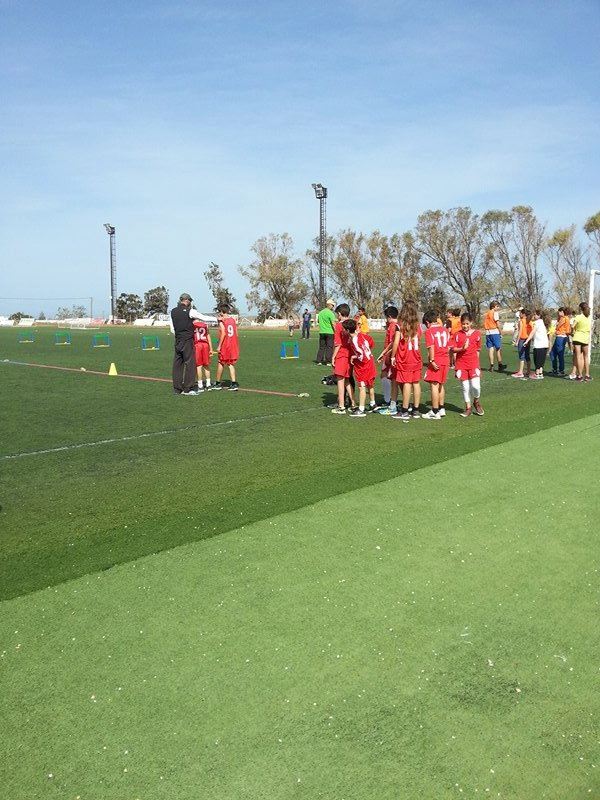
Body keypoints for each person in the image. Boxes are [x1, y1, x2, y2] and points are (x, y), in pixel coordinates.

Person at [391, 300, 422, 421]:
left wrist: (393, 356)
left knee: (407, 383)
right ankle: (416, 409)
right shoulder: (418, 325)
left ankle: (404, 410)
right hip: (416, 357)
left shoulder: (400, 325)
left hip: (405, 358)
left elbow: (396, 342)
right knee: (416, 383)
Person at [169, 292, 204, 395]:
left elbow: (172, 329)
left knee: (177, 365)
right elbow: (203, 317)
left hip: (178, 340)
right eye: (190, 301)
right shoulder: (190, 311)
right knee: (190, 364)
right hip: (187, 341)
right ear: (187, 300)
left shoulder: (173, 311)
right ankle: (188, 388)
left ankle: (177, 389)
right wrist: (217, 319)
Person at [343, 318, 377, 417]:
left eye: (344, 329)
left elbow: (362, 355)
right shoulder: (361, 335)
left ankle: (361, 409)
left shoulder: (354, 340)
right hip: (370, 362)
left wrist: (354, 357)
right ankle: (373, 404)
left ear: (348, 330)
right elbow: (371, 342)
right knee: (370, 384)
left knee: (362, 386)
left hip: (363, 366)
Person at [452, 312, 483, 417]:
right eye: (463, 324)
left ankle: (476, 402)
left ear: (471, 323)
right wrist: (462, 349)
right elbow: (453, 349)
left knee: (476, 387)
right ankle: (468, 408)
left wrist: (477, 364)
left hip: (473, 364)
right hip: (461, 364)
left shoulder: (477, 334)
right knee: (465, 387)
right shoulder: (457, 335)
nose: (465, 326)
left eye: (467, 323)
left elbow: (478, 350)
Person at [422, 309, 451, 419]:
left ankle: (434, 411)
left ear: (427, 322)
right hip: (445, 359)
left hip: (437, 359)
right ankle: (441, 408)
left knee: (434, 385)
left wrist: (432, 360)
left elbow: (431, 347)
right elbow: (449, 347)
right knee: (441, 384)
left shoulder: (429, 331)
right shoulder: (445, 330)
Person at [331, 303, 355, 414]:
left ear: (340, 314)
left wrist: (333, 357)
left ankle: (341, 406)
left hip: (341, 355)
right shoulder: (353, 324)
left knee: (340, 381)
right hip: (350, 355)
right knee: (347, 380)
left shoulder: (339, 325)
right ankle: (353, 403)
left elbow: (338, 344)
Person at [376, 305, 399, 413]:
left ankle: (388, 399)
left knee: (385, 375)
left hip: (390, 355)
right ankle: (390, 399)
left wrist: (386, 355)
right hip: (392, 354)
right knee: (391, 377)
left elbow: (392, 343)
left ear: (389, 316)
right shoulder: (397, 325)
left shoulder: (392, 326)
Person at [214, 306, 239, 391]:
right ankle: (234, 383)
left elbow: (223, 333)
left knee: (221, 362)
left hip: (225, 344)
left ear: (221, 311)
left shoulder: (222, 321)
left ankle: (218, 383)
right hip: (233, 344)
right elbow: (236, 333)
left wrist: (219, 345)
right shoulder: (232, 320)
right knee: (230, 363)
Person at [523, 309, 549, 380]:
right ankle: (540, 373)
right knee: (542, 360)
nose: (534, 316)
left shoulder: (536, 322)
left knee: (537, 359)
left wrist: (527, 341)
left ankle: (536, 374)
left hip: (539, 344)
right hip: (545, 344)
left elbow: (532, 332)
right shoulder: (544, 322)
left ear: (539, 315)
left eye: (535, 314)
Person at [571, 301, 592, 381]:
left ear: (580, 308)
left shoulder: (578, 317)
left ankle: (579, 376)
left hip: (577, 338)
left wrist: (572, 332)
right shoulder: (588, 318)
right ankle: (587, 375)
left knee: (578, 356)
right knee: (586, 357)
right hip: (585, 339)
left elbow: (572, 326)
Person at [483, 301, 506, 372]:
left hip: (488, 333)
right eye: (497, 306)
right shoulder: (495, 313)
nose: (498, 308)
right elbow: (497, 324)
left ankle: (491, 366)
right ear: (493, 307)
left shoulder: (487, 313)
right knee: (498, 349)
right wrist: (500, 332)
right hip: (495, 332)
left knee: (490, 349)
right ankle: (500, 365)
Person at [193, 318, 214, 391]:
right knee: (206, 365)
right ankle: (208, 384)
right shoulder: (205, 325)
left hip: (197, 345)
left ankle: (200, 385)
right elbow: (208, 337)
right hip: (205, 345)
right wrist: (211, 348)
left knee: (199, 366)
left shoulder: (192, 325)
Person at [549, 307, 571, 376]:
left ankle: (561, 371)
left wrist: (558, 332)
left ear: (562, 312)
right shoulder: (561, 318)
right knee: (552, 353)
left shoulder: (565, 318)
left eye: (559, 311)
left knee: (560, 354)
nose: (558, 313)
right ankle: (555, 369)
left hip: (561, 338)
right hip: (558, 337)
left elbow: (567, 330)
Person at [512, 309, 532, 379]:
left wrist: (517, 341)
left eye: (520, 313)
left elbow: (520, 332)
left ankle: (520, 372)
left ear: (523, 314)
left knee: (521, 356)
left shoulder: (521, 321)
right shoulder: (529, 321)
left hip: (522, 339)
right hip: (528, 340)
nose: (519, 314)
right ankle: (528, 371)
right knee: (527, 356)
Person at [315, 299, 336, 365]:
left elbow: (318, 321)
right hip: (330, 332)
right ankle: (328, 361)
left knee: (321, 347)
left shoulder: (321, 312)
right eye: (333, 305)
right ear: (330, 305)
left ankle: (319, 360)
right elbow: (333, 324)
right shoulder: (330, 313)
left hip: (322, 332)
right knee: (329, 347)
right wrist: (336, 332)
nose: (333, 307)